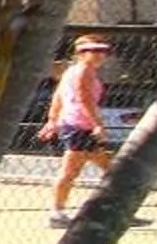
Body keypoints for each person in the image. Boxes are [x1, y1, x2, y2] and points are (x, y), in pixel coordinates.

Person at [40, 35, 115, 224]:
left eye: (103, 51)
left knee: (112, 169)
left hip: (77, 126)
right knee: (71, 172)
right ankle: (56, 213)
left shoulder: (73, 72)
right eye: (94, 50)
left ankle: (117, 209)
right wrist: (97, 125)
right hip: (78, 128)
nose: (100, 55)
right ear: (81, 53)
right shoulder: (83, 72)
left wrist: (52, 121)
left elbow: (58, 97)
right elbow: (84, 100)